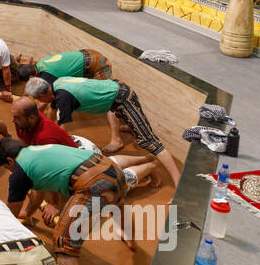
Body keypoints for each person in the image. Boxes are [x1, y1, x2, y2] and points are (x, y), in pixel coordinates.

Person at [0, 140, 158, 265]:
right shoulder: (37, 151)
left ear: (9, 160)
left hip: (92, 184)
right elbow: (42, 186)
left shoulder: (19, 172)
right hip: (112, 169)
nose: (9, 172)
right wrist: (27, 213)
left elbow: (11, 213)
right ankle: (127, 234)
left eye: (7, 167)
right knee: (116, 202)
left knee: (64, 245)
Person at [34, 75, 178, 186]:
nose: (41, 103)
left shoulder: (63, 97)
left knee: (150, 142)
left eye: (39, 100)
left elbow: (62, 132)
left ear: (42, 95)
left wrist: (47, 145)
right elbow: (51, 113)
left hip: (122, 98)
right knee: (116, 114)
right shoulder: (56, 84)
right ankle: (124, 137)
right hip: (113, 93)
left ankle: (178, 184)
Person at [14, 48, 113, 84]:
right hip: (89, 53)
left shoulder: (47, 77)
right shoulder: (39, 63)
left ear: (32, 77)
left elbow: (44, 101)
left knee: (101, 94)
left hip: (100, 64)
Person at [10, 95, 78, 148]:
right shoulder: (21, 122)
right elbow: (22, 140)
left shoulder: (44, 137)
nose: (13, 121)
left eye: (17, 118)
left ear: (31, 117)